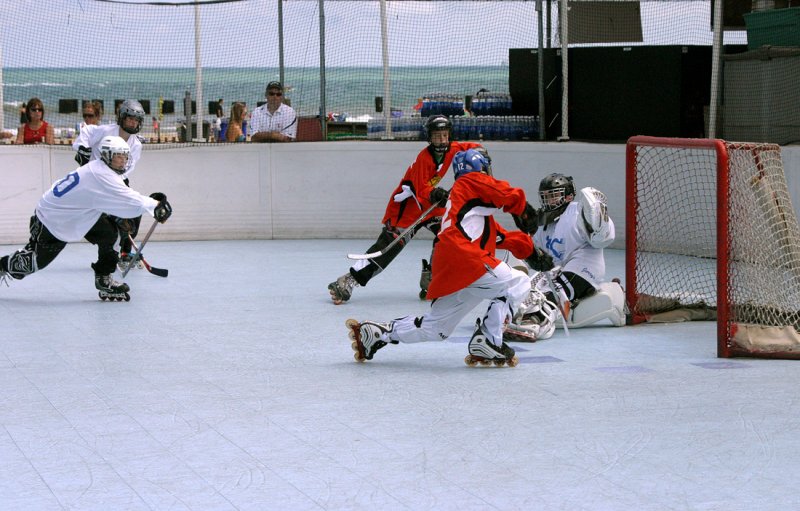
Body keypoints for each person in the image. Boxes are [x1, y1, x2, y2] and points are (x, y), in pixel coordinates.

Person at [345, 148, 543, 367]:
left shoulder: (471, 209)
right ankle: (488, 340)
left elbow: (500, 237)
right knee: (517, 282)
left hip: (451, 265)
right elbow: (505, 194)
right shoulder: (469, 182)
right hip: (465, 257)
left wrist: (532, 252)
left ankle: (379, 333)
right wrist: (524, 210)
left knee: (437, 328)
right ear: (481, 168)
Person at [327, 115, 482, 304]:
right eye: (436, 136)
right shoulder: (424, 159)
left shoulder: (453, 149)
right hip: (406, 211)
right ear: (429, 138)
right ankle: (347, 281)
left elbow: (471, 148)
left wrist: (481, 153)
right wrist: (435, 195)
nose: (441, 140)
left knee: (450, 233)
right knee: (386, 250)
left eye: (444, 136)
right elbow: (421, 189)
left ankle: (433, 278)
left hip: (430, 209)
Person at [0, 136, 172, 300]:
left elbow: (107, 199)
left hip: (77, 215)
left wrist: (142, 207)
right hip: (53, 220)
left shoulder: (101, 169)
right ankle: (2, 265)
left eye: (125, 156)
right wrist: (155, 204)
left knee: (111, 234)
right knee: (31, 265)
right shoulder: (103, 175)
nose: (123, 160)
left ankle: (104, 278)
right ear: (107, 156)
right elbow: (130, 199)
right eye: (119, 156)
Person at [504, 173, 625, 342]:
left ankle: (537, 320)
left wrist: (599, 221)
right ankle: (507, 313)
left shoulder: (579, 212)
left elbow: (603, 237)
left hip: (584, 267)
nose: (549, 202)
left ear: (568, 196)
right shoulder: (542, 222)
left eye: (553, 196)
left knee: (557, 289)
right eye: (545, 197)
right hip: (557, 270)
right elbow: (531, 250)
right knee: (524, 276)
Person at [72, 99, 146, 270]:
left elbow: (126, 170)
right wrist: (82, 148)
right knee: (105, 223)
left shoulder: (136, 145)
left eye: (136, 120)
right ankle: (108, 252)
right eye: (130, 118)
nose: (133, 122)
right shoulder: (106, 131)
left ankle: (125, 252)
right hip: (91, 180)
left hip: (115, 181)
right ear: (122, 117)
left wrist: (113, 190)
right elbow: (87, 131)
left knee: (135, 209)